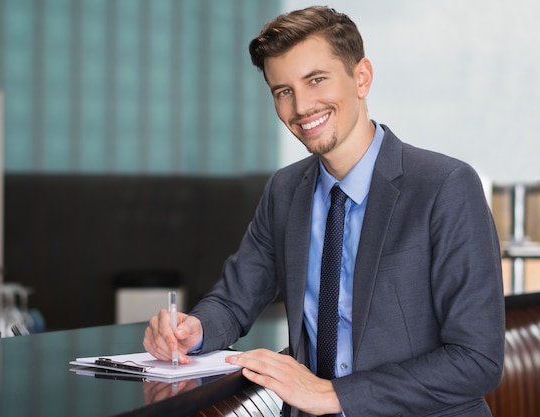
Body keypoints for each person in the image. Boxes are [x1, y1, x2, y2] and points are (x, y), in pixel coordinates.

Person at [143, 6, 505, 417]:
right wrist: (194, 329)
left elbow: (476, 360)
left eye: (316, 80)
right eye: (283, 91)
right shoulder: (285, 189)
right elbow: (232, 301)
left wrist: (333, 395)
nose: (301, 107)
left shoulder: (445, 185)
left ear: (362, 77)